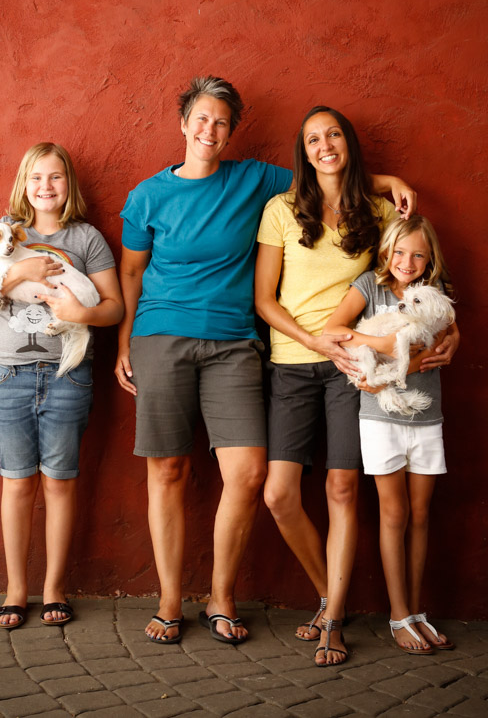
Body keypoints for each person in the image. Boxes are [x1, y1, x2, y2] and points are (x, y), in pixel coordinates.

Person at [115, 78, 414, 645]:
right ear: (183, 124)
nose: (210, 130)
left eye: (222, 122)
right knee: (168, 470)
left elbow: (326, 175)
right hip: (161, 336)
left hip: (233, 342)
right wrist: (126, 340)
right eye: (201, 119)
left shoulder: (255, 179)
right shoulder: (148, 195)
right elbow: (132, 272)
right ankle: (170, 602)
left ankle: (221, 599)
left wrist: (389, 181)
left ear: (232, 131)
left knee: (250, 474)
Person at [0, 143, 124, 629]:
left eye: (55, 178)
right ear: (23, 184)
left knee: (59, 481)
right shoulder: (2, 231)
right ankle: (16, 589)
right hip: (11, 373)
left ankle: (54, 587)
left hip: (67, 374)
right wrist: (20, 271)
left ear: (68, 185)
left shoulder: (87, 238)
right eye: (36, 178)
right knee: (16, 482)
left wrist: (82, 313)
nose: (45, 187)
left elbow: (115, 307)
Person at [324, 215, 459, 654]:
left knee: (421, 517)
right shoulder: (368, 286)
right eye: (400, 252)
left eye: (418, 254)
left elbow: (443, 335)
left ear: (430, 258)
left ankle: (417, 613)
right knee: (393, 514)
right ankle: (397, 615)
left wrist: (446, 341)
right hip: (380, 419)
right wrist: (399, 349)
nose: (408, 261)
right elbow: (333, 333)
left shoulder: (437, 296)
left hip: (427, 418)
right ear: (387, 251)